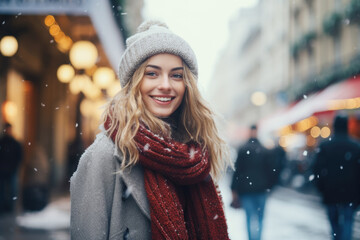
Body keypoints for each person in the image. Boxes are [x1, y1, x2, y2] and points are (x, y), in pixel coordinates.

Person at [70, 20, 231, 240]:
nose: (165, 84)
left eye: (176, 75)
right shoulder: (103, 157)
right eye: (152, 73)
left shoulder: (194, 156)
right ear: (134, 82)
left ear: (187, 86)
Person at [313, 115, 360, 240]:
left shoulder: (325, 146)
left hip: (331, 191)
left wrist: (322, 188)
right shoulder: (355, 146)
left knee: (334, 223)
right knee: (348, 221)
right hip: (350, 192)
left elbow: (317, 169)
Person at [230, 124, 273, 240]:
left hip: (246, 190)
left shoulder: (243, 149)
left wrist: (233, 188)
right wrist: (269, 186)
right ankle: (257, 238)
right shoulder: (264, 150)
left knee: (249, 218)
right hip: (261, 189)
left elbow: (237, 171)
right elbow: (271, 171)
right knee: (260, 218)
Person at [0, 123, 23, 214]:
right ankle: (3, 206)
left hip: (11, 169)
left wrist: (15, 166)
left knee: (12, 189)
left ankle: (10, 207)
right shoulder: (2, 141)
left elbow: (19, 156)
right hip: (2, 169)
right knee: (2, 190)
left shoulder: (15, 142)